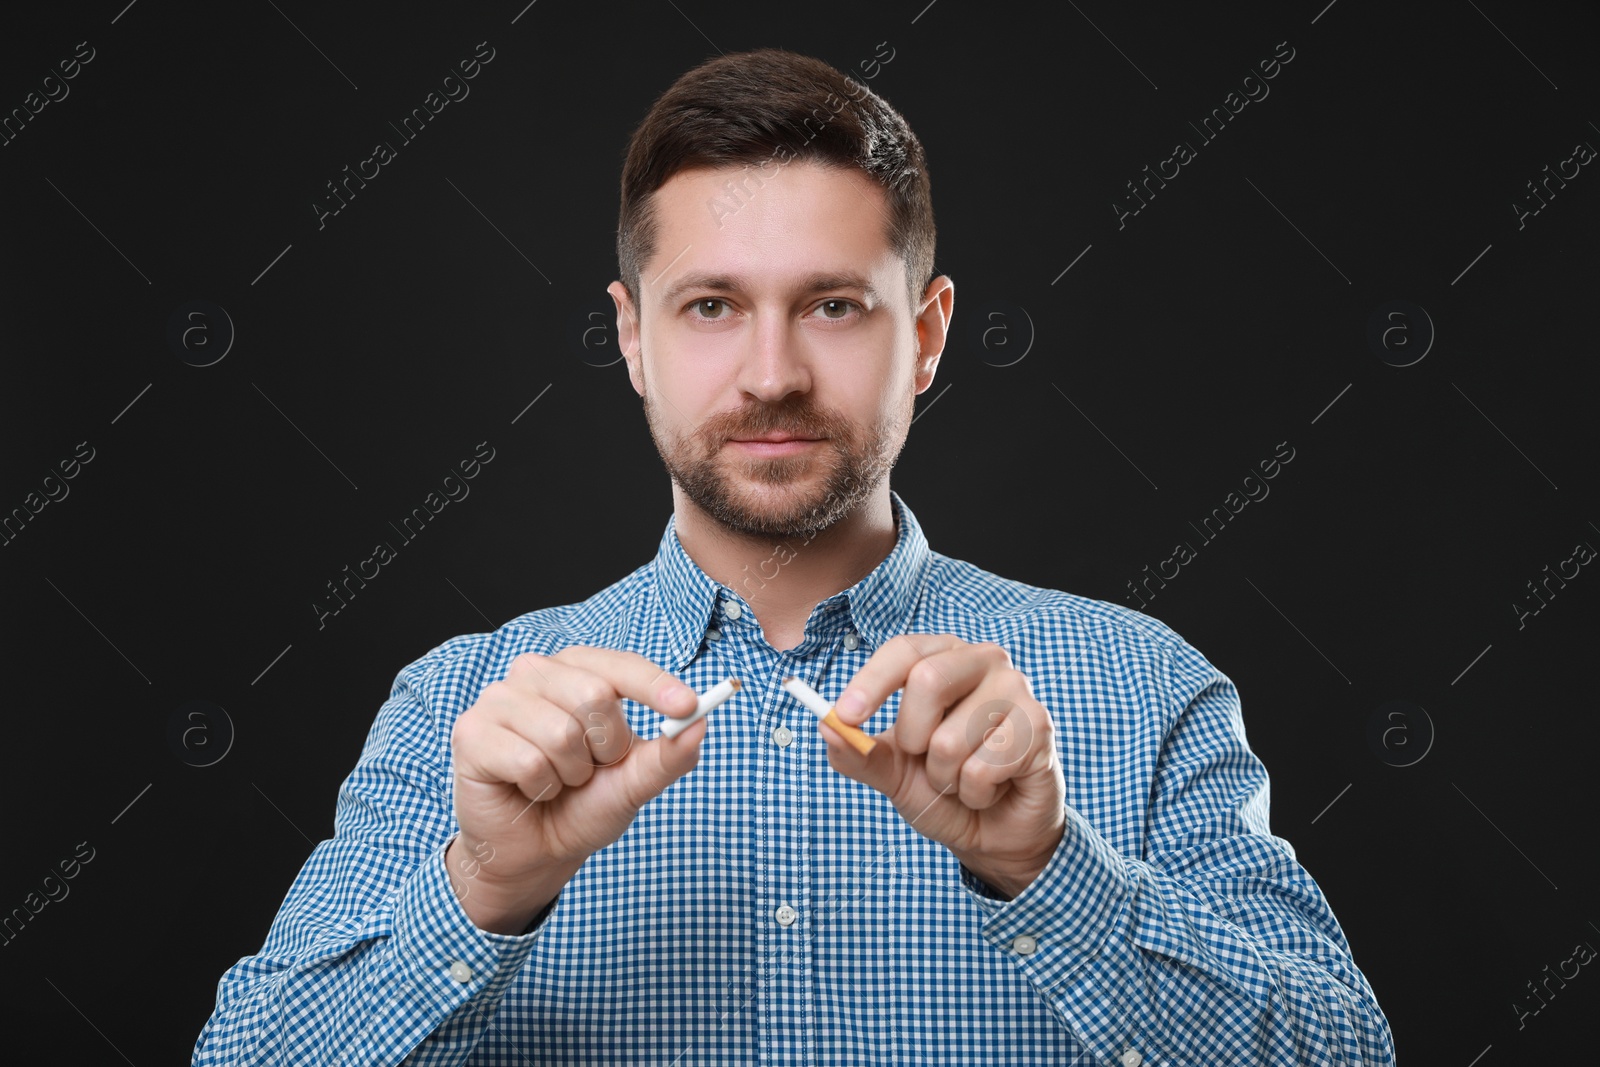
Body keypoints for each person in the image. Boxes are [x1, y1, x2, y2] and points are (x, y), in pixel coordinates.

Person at [193, 47, 1394, 1065]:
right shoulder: (459, 709)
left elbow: (1348, 1048)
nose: (771, 372)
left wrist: (1048, 868)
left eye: (832, 305)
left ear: (924, 337)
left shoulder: (1140, 685)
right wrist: (481, 892)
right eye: (711, 305)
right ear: (633, 338)